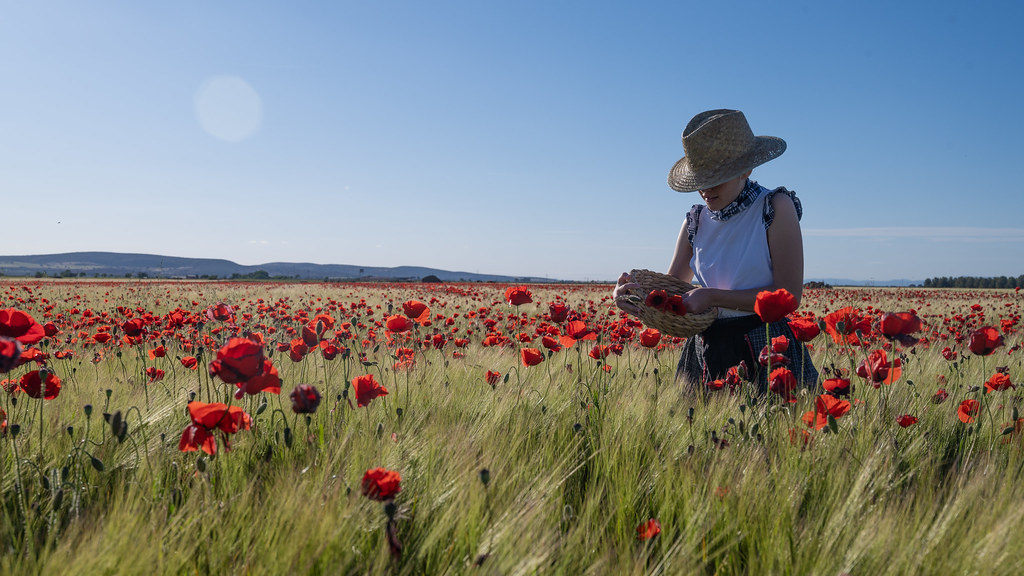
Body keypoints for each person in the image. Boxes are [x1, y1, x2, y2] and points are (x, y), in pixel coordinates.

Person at [614, 109, 818, 392]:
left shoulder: (775, 207)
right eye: (701, 180)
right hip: (705, 350)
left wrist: (711, 296)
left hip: (766, 346)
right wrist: (635, 299)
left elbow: (789, 297)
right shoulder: (695, 221)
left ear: (745, 169)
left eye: (716, 177)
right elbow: (673, 291)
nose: (705, 190)